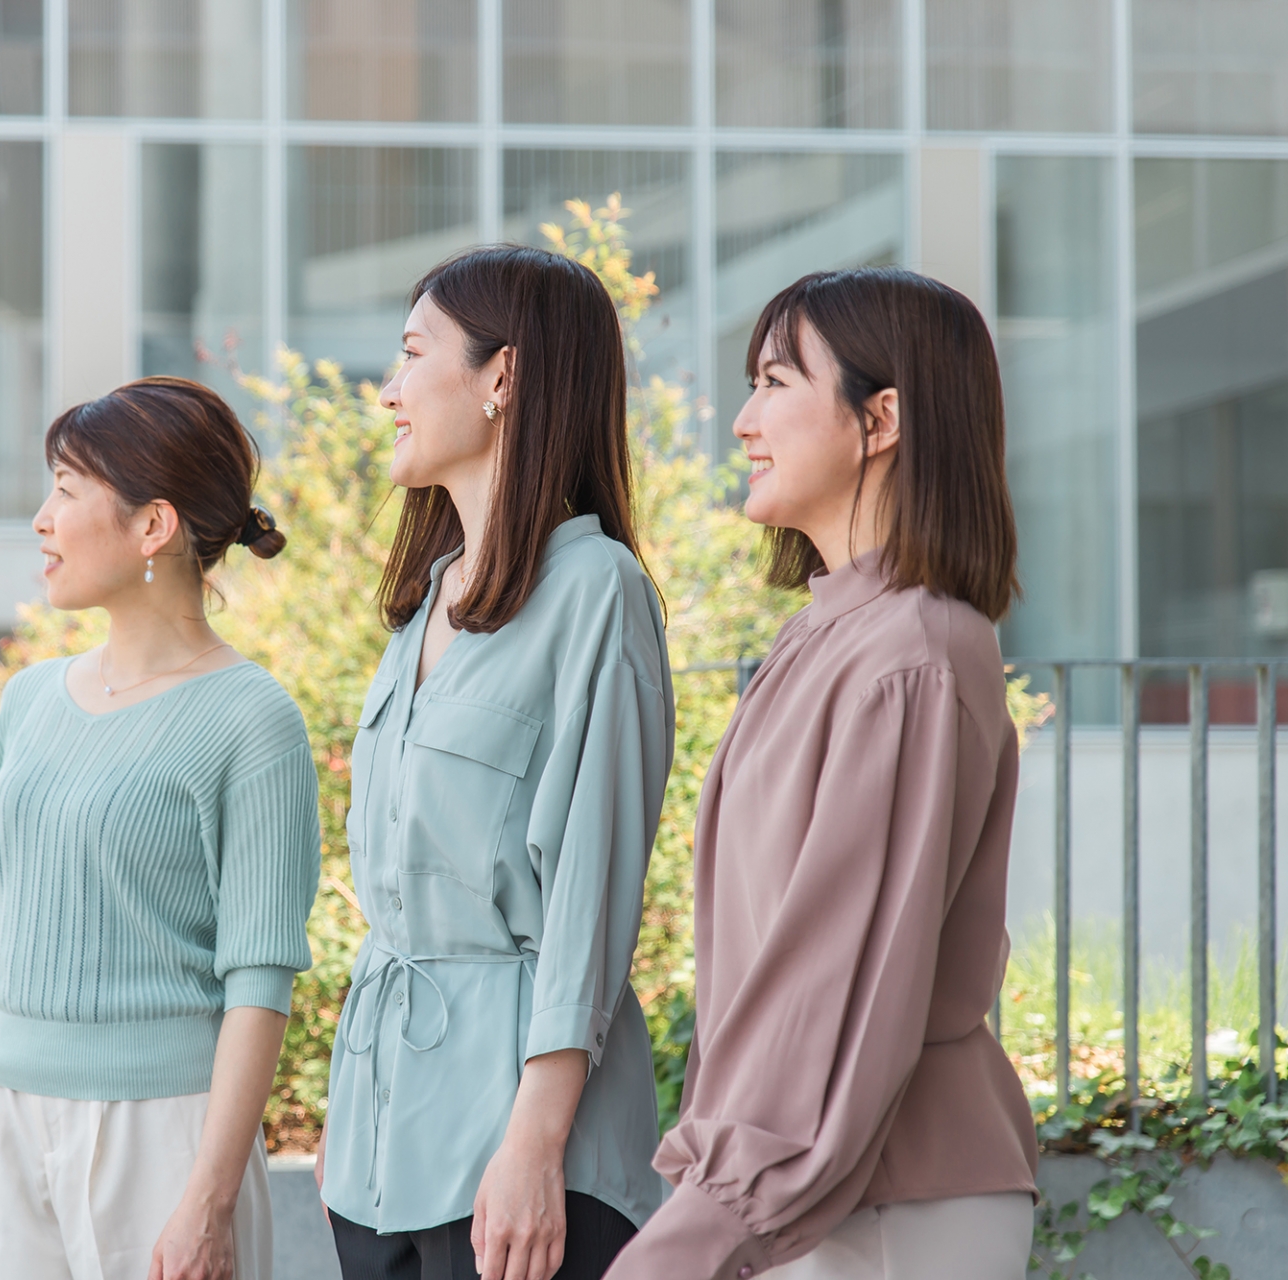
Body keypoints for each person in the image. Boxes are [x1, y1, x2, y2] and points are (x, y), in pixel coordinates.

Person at [607, 268, 1037, 1280]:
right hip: (815, 1195)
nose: (744, 419)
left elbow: (833, 971)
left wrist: (696, 1228)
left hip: (887, 1207)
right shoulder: (829, 636)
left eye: (774, 381)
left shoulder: (913, 651)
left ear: (880, 417)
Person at [0, 376, 322, 1280]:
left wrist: (209, 1198)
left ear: (152, 527)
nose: (41, 520)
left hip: (163, 1135)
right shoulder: (28, 702)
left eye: (67, 489)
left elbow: (260, 976)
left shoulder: (253, 720)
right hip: (8, 1120)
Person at [316, 244, 675, 1280]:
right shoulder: (428, 597)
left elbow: (589, 904)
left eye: (412, 353)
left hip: (522, 1155)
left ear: (502, 377)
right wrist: (357, 1115)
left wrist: (534, 1144)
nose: (388, 391)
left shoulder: (597, 589)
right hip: (380, 1151)